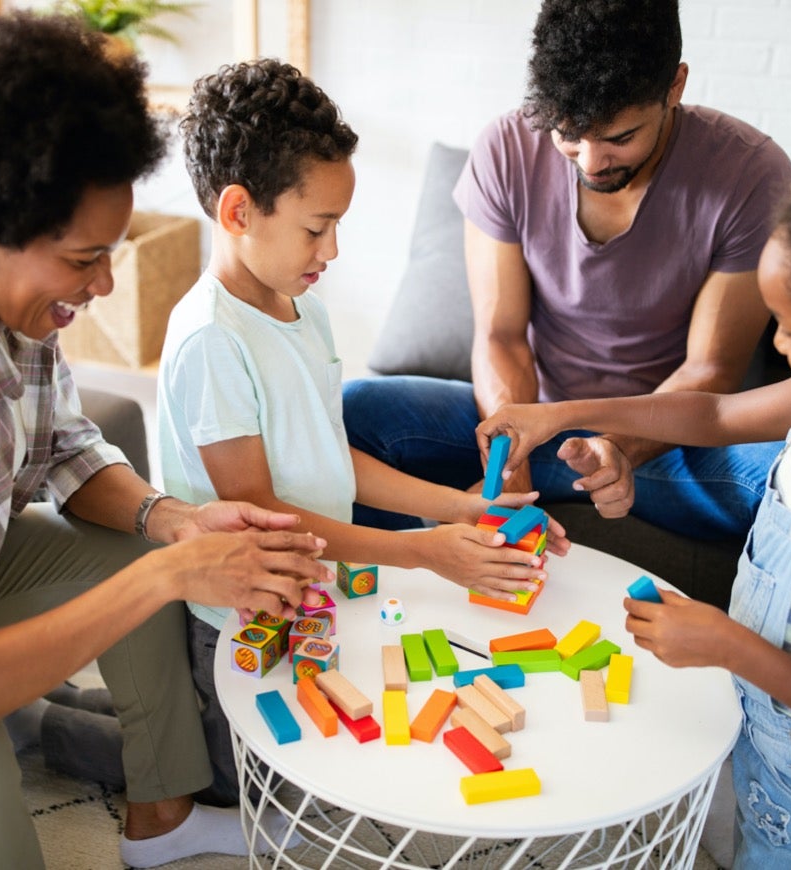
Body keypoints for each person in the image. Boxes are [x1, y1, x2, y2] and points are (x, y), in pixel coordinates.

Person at [0, 14, 333, 870]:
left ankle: (163, 818)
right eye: (85, 259)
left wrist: (170, 524)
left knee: (131, 550)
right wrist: (171, 574)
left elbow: (67, 451)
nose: (107, 282)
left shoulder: (0, 301)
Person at [476, 83, 791, 868]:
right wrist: (559, 413)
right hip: (771, 745)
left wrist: (729, 644)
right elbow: (712, 417)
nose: (777, 344)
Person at [157, 57, 569, 805]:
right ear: (239, 212)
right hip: (238, 614)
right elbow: (265, 520)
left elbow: (328, 453)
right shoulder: (212, 342)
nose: (333, 251)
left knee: (310, 760)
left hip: (307, 592)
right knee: (227, 782)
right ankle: (45, 728)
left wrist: (464, 509)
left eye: (337, 225)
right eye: (318, 227)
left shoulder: (298, 304)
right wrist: (422, 553)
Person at [342, 0, 791, 541]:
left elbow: (709, 372)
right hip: (529, 415)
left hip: (664, 438)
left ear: (674, 87)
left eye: (620, 138)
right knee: (355, 411)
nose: (590, 163)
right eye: (567, 135)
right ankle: (383, 594)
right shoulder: (505, 150)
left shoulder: (749, 174)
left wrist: (612, 451)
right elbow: (501, 335)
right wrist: (512, 462)